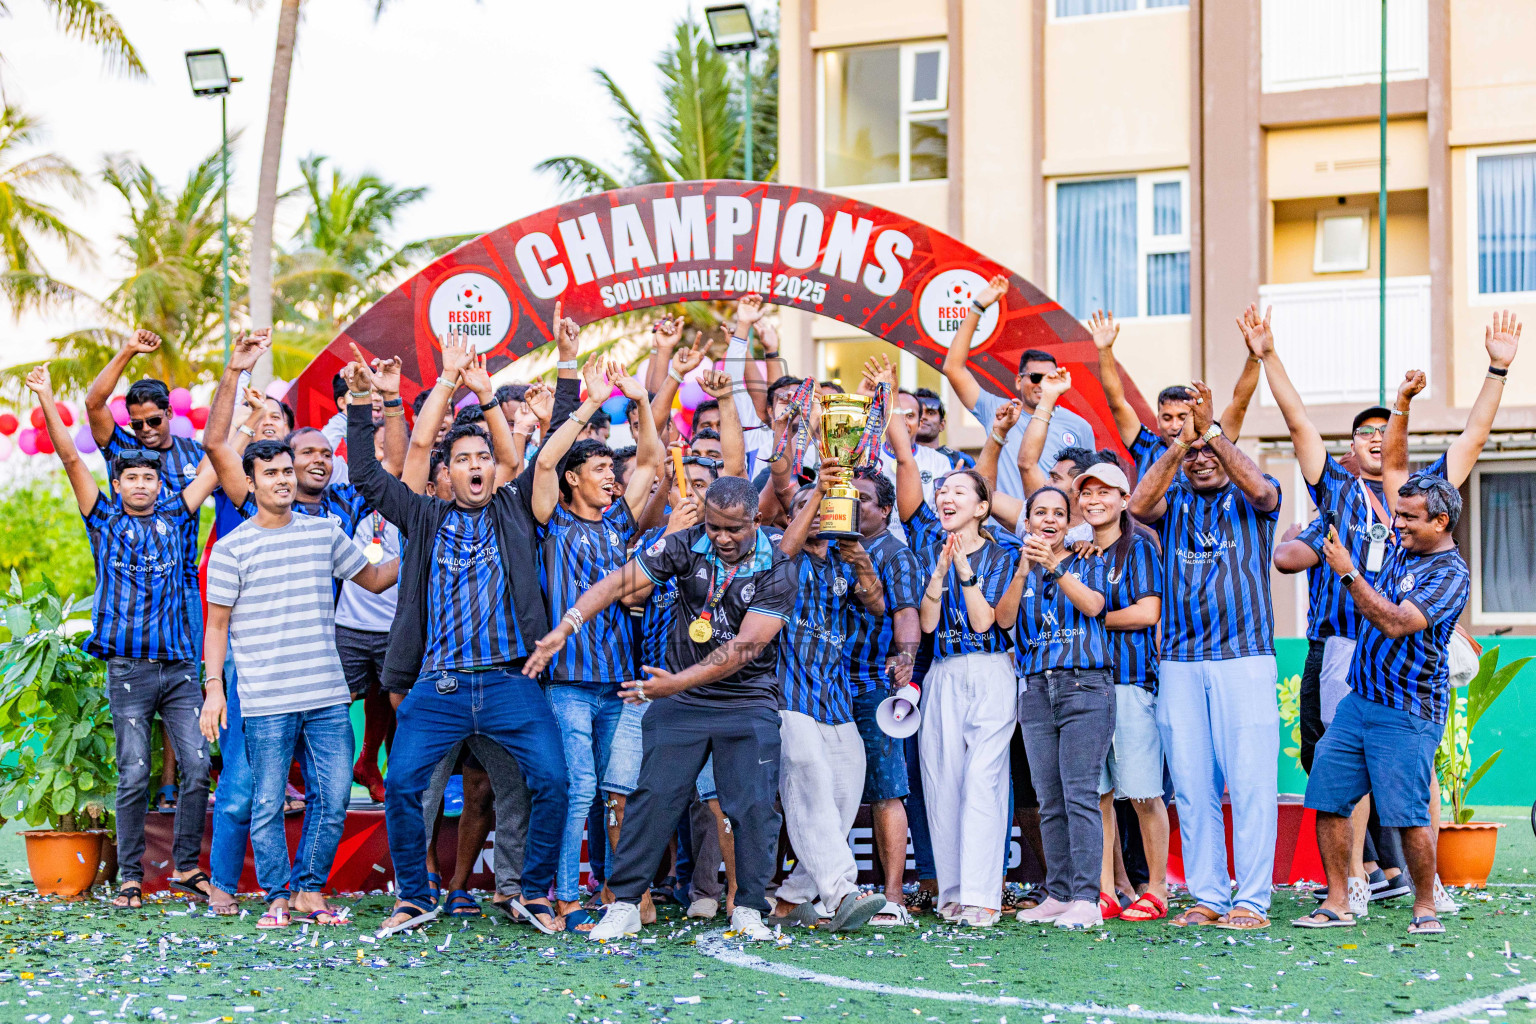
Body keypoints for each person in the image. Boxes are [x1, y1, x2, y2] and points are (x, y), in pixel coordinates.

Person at [345, 333, 577, 936]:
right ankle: (416, 898)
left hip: (510, 684)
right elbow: (370, 477)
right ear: (443, 474)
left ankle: (531, 892)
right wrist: (362, 402)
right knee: (399, 786)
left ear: (493, 468)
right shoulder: (423, 517)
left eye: (482, 460)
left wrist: (488, 395)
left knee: (553, 780)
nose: (474, 467)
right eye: (461, 461)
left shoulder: (514, 508)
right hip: (439, 689)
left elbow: (539, 454)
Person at [523, 476, 798, 942]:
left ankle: (748, 907)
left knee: (751, 806)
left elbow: (745, 648)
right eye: (714, 527)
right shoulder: (684, 543)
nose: (722, 538)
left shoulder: (781, 565)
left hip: (746, 699)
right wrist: (566, 627)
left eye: (733, 529)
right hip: (682, 699)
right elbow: (617, 584)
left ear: (755, 520)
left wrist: (672, 683)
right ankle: (626, 904)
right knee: (651, 797)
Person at [26, 364, 221, 910]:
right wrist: (45, 395)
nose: (140, 484)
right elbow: (70, 457)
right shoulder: (102, 519)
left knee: (199, 765)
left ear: (161, 483)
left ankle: (185, 867)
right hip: (129, 670)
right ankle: (131, 875)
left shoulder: (181, 515)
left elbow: (214, 463)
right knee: (134, 772)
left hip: (181, 667)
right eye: (131, 478)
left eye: (149, 478)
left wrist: (249, 416)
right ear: (118, 484)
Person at [1129, 380, 1282, 930]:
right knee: (1192, 786)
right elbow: (1136, 505)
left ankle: (1253, 899)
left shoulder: (1256, 496)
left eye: (1207, 451)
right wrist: (1180, 444)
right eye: (1190, 455)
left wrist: (1212, 435)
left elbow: (1264, 493)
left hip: (1244, 656)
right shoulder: (1172, 506)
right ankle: (1210, 895)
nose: (1199, 460)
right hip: (1179, 661)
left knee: (1250, 783)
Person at [1297, 468, 1469, 937]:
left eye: (1410, 517)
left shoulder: (1450, 575)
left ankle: (1426, 906)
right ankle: (1337, 903)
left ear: (1441, 523)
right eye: (1397, 513)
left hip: (1409, 710)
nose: (1399, 524)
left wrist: (1348, 572)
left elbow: (1395, 622)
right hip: (1360, 701)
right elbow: (1394, 462)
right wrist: (1403, 404)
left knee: (1407, 815)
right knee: (1329, 799)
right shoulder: (1402, 546)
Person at [531, 351, 663, 931]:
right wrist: (589, 399)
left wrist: (637, 400)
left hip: (619, 684)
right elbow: (542, 462)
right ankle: (564, 895)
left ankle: (618, 894)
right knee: (579, 788)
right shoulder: (551, 521)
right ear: (572, 479)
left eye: (615, 469)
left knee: (618, 794)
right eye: (601, 470)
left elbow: (655, 458)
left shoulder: (616, 523)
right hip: (567, 687)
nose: (613, 476)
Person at [893, 391, 1017, 926]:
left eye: (959, 491)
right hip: (941, 671)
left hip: (991, 669)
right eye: (942, 491)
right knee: (942, 781)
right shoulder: (928, 546)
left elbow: (988, 620)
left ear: (983, 506)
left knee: (983, 780)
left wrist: (962, 569)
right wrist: (939, 574)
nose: (945, 497)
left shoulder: (1006, 551)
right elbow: (925, 624)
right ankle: (953, 893)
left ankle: (984, 898)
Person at [83, 330, 212, 812]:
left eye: (153, 420)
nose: (145, 431)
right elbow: (94, 403)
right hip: (130, 578)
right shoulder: (121, 449)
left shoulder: (193, 453)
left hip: (181, 579)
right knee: (140, 678)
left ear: (169, 415)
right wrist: (129, 351)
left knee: (184, 681)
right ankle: (152, 781)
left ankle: (175, 780)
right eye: (137, 423)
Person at [766, 472, 890, 932]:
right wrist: (817, 489)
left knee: (841, 798)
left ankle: (791, 899)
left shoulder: (842, 561)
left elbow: (877, 606)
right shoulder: (776, 549)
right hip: (788, 695)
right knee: (810, 787)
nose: (819, 514)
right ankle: (841, 893)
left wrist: (861, 561)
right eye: (809, 506)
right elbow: (783, 551)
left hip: (836, 699)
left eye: (826, 506)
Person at [1004, 485, 1113, 930]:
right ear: (1026, 522)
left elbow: (1096, 606)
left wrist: (1056, 567)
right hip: (1034, 689)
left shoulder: (1090, 558)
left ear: (1070, 523)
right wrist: (1025, 570)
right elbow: (1006, 620)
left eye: (1058, 514)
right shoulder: (1018, 566)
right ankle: (1060, 892)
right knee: (1049, 799)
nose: (1049, 520)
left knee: (1080, 794)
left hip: (1084, 686)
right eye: (1040, 513)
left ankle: (1088, 898)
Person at [1073, 462, 1170, 923]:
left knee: (1145, 794)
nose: (1094, 500)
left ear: (1124, 499)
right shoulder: (1080, 553)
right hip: (1087, 685)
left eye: (1104, 493)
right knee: (1100, 796)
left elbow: (1148, 612)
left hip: (1130, 682)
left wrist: (1091, 617)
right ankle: (1107, 889)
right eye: (1086, 493)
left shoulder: (1139, 547)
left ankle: (1158, 889)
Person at [842, 466, 922, 925]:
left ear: (886, 509)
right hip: (823, 684)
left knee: (886, 791)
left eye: (865, 499)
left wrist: (905, 656)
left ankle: (893, 898)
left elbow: (906, 611)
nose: (854, 505)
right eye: (848, 497)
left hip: (873, 682)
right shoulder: (830, 544)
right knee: (823, 790)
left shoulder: (896, 553)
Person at [942, 274, 1095, 498]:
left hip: (1056, 526)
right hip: (1006, 523)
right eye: (1035, 377)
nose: (1042, 383)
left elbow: (1088, 483)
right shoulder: (1000, 412)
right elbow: (953, 368)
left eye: (1050, 377)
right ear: (1018, 380)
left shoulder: (1079, 426)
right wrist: (977, 307)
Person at [1087, 309, 1258, 480]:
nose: (1175, 425)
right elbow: (1117, 404)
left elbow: (1239, 404)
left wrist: (1254, 357)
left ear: (1194, 417)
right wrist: (1105, 350)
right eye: (1167, 418)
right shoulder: (1146, 446)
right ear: (1158, 420)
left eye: (1182, 417)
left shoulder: (1215, 442)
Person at [913, 387, 975, 470]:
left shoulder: (962, 460)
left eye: (931, 413)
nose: (923, 417)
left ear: (942, 425)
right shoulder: (897, 458)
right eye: (918, 412)